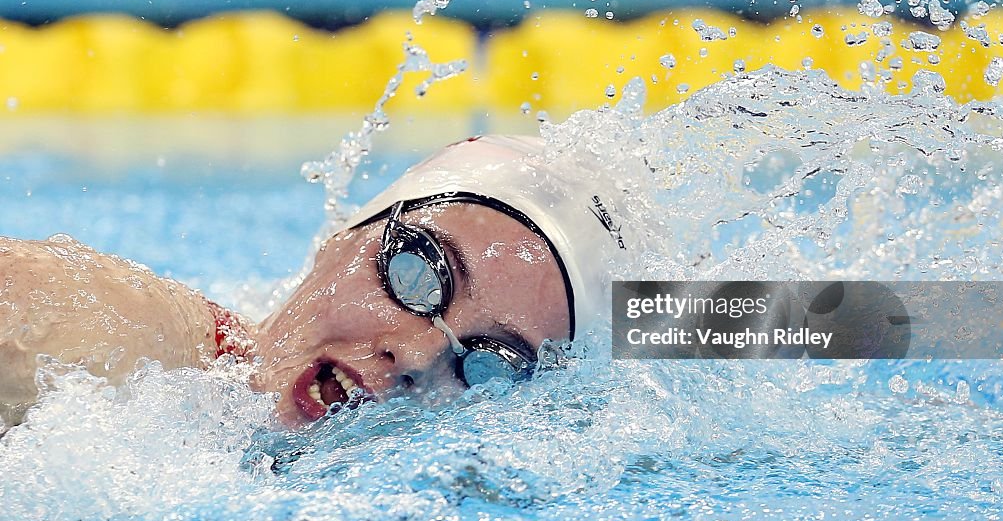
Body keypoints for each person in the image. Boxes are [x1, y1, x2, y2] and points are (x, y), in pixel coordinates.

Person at [0, 135, 636, 432]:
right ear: (343, 236)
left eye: (489, 361)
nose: (417, 356)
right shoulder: (106, 340)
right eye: (419, 274)